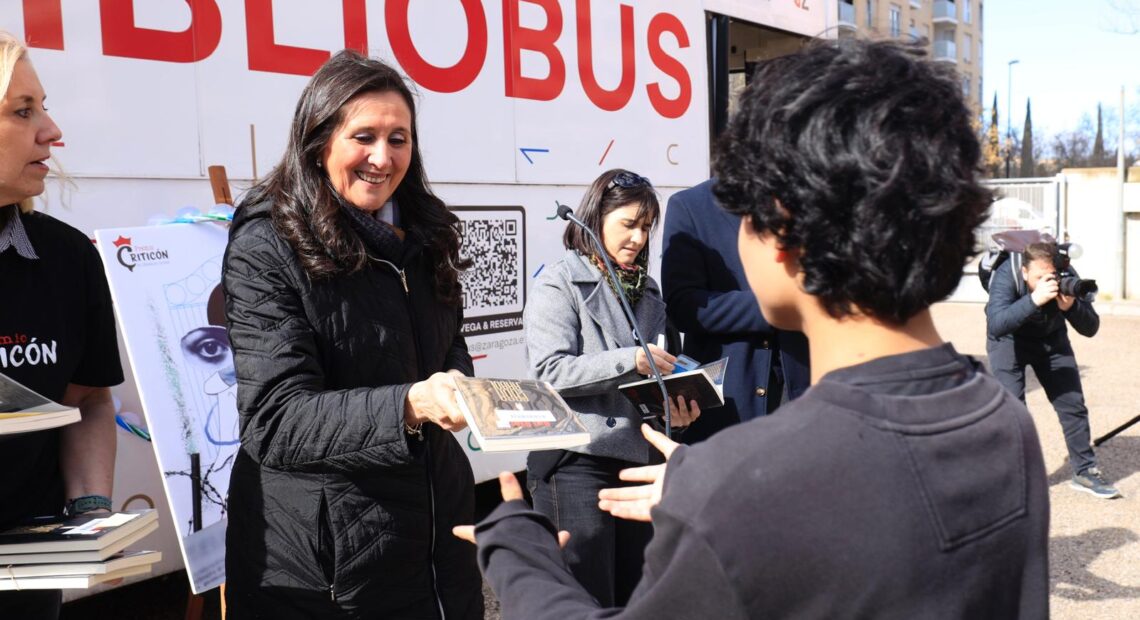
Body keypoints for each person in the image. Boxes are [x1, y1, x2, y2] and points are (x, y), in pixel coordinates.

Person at [456, 40, 1049, 619]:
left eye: (746, 208)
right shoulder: (1006, 425)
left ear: (781, 227)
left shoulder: (751, 481)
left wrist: (521, 558)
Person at [221, 50, 481, 618]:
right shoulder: (267, 246)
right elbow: (275, 420)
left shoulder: (429, 234)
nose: (382, 158)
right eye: (364, 137)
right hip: (330, 565)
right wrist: (412, 404)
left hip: (439, 533)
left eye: (398, 139)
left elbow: (449, 345)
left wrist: (459, 384)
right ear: (319, 142)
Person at [522, 168, 699, 606]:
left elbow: (660, 374)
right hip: (576, 463)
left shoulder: (649, 290)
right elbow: (549, 371)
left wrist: (676, 409)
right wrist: (630, 360)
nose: (638, 238)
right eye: (628, 224)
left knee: (637, 598)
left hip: (639, 461)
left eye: (646, 227)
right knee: (585, 597)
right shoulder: (558, 282)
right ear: (595, 218)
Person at [0, 31, 123, 620]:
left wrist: (90, 511)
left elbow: (88, 399)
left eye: (42, 108)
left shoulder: (69, 258)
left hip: (28, 574)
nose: (52, 131)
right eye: (23, 111)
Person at [662, 179, 810, 443]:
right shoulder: (691, 205)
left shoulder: (808, 194)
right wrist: (774, 306)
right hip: (727, 403)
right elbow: (683, 306)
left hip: (804, 393)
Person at [986, 241, 1119, 498]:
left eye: (1052, 276)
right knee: (1013, 411)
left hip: (1051, 338)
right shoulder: (1007, 273)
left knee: (1073, 406)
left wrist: (1071, 307)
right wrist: (1034, 299)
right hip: (1009, 341)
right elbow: (997, 324)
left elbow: (1091, 327)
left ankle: (1085, 471)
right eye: (1039, 277)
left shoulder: (1065, 272)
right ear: (1025, 272)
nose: (1048, 282)